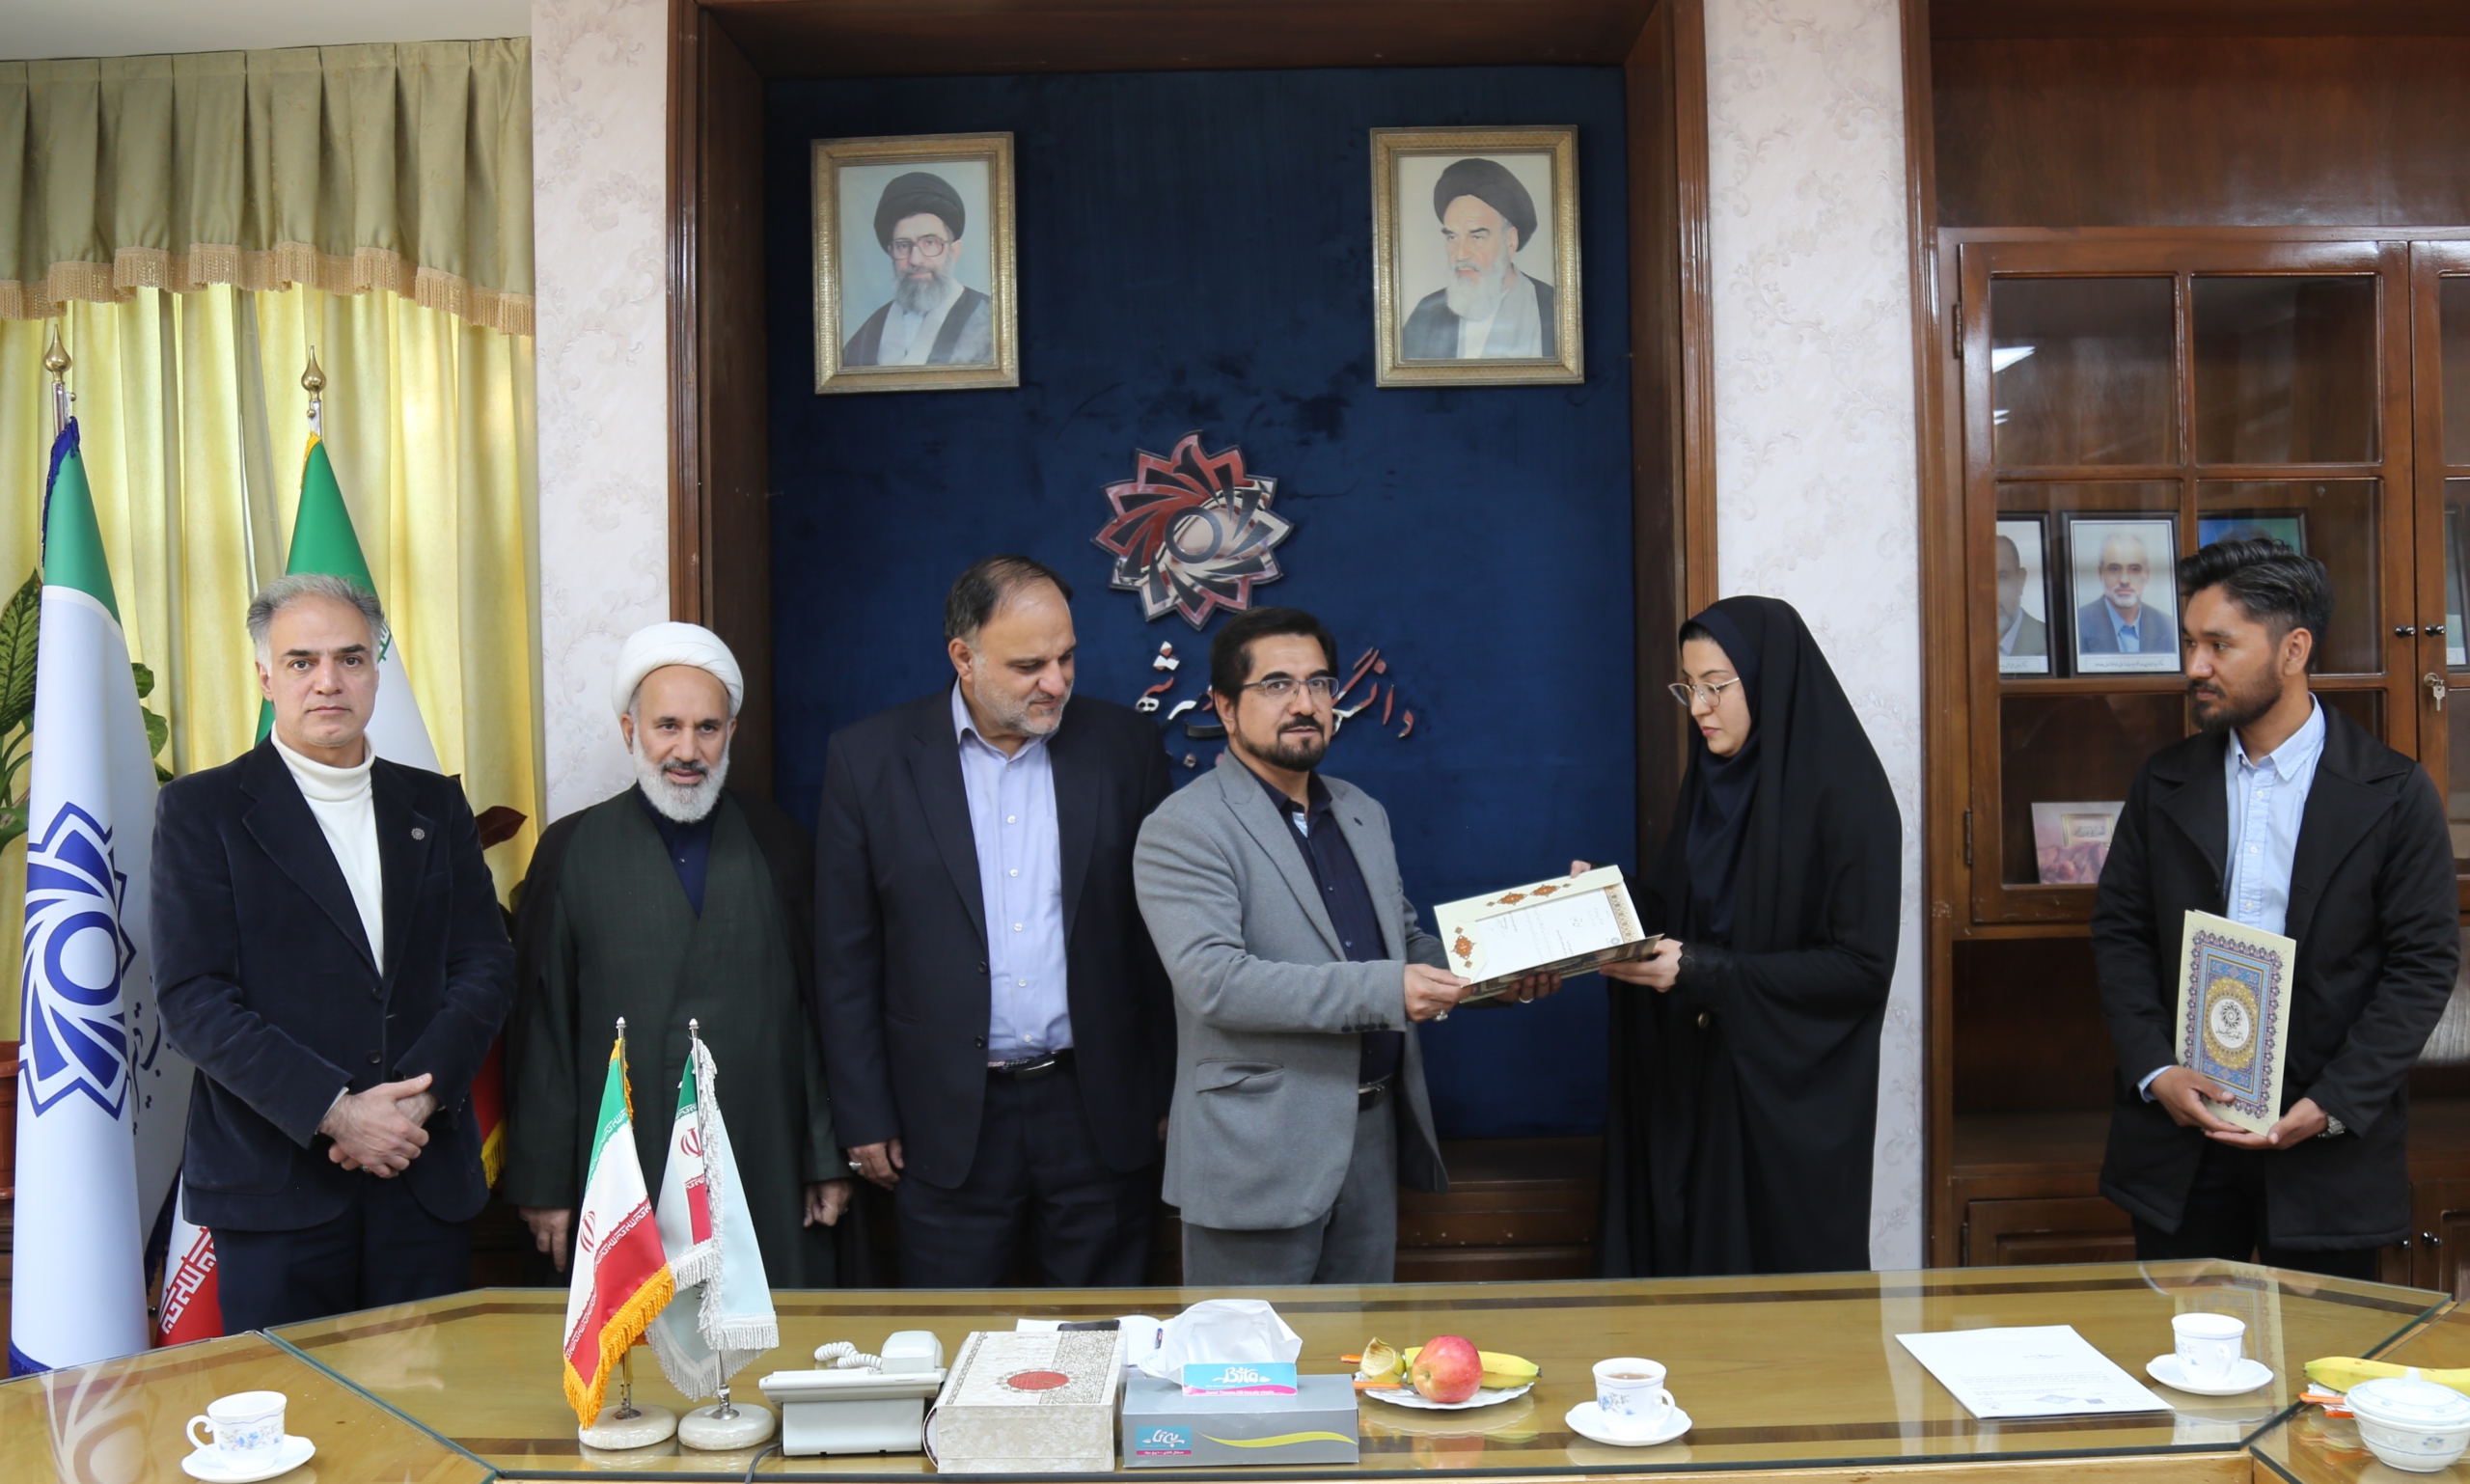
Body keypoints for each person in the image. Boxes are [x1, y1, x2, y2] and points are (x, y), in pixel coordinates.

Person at [1135, 607, 1558, 1284]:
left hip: (1371, 1139)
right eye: (1277, 685)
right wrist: (1390, 990)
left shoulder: (1361, 812)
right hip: (1256, 1151)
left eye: (1320, 683)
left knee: (1356, 1347)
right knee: (1249, 1355)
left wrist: (1501, 970)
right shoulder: (1185, 827)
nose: (1305, 704)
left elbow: (1405, 944)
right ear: (1225, 707)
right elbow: (1216, 982)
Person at [152, 574, 513, 1330]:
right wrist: (337, 1113)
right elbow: (194, 998)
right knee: (290, 1403)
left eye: (350, 658)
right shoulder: (201, 811)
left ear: (375, 670)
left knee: (428, 1403)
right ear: (265, 676)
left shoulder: (434, 804)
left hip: (419, 1171)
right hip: (276, 1189)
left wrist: (414, 1102)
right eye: (301, 661)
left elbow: (484, 966)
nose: (328, 681)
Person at [2094, 539, 2457, 1278]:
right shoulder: (2162, 782)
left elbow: (2423, 967)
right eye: (2190, 643)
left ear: (2294, 650)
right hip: (2181, 1142)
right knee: (2178, 1344)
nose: (2196, 666)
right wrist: (2157, 1070)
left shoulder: (2393, 792)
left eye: (2219, 645)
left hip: (2326, 1145)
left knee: (2327, 1351)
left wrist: (2333, 1102)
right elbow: (2121, 935)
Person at [816, 556, 1175, 1286]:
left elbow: (1156, 942)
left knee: (1100, 1333)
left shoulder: (1123, 748)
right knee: (954, 1336)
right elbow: (846, 956)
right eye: (1029, 665)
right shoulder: (869, 759)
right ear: (964, 658)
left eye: (1066, 657)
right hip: (943, 1117)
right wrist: (863, 1114)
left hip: (1097, 1109)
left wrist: (1168, 1092)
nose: (1057, 682)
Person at [504, 622, 851, 1285]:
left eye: (707, 728)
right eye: (667, 726)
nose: (687, 750)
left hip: (764, 1151)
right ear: (630, 730)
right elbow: (545, 1028)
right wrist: (544, 1182)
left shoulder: (781, 844)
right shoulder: (571, 850)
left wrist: (823, 1157)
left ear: (731, 733)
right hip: (623, 1165)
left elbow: (815, 1017)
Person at [1594, 596, 1901, 1278]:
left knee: (1774, 1314)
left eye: (1716, 687)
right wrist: (1613, 904)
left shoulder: (1848, 798)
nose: (1699, 709)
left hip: (1785, 1108)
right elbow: (1693, 913)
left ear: (1769, 680)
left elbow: (1860, 969)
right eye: (1689, 688)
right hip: (1698, 1087)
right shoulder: (1712, 783)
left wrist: (1708, 973)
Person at [1400, 157, 1558, 361]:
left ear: (1510, 241)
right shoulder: (1426, 315)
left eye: (1476, 237)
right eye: (1452, 237)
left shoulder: (1554, 309)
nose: (1460, 254)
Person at [841, 170, 995, 367]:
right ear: (891, 253)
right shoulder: (872, 329)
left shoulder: (990, 319)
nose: (915, 259)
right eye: (903, 245)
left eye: (929, 242)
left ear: (954, 251)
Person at [2077, 531, 2170, 656]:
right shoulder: (2077, 625)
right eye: (2114, 569)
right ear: (2101, 573)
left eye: (2135, 569)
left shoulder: (2168, 626)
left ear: (2147, 575)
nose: (2124, 580)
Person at [1995, 534, 2047, 661]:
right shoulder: (1953, 643)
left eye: (2002, 578)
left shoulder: (2052, 641)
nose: (1992, 592)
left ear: (2021, 581)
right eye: (1980, 580)